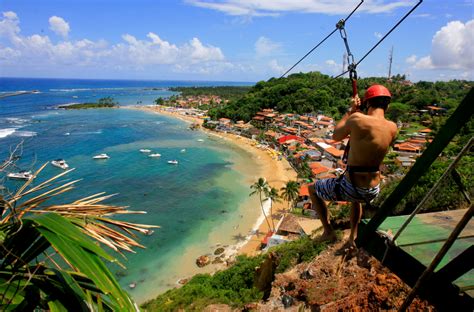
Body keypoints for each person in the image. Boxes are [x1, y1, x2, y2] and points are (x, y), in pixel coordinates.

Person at [308, 84, 398, 249]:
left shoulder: (357, 119)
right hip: (372, 190)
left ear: (367, 103)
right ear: (388, 105)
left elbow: (336, 135)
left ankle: (328, 231)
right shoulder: (393, 128)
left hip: (352, 188)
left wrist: (351, 110)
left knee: (312, 189)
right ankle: (353, 235)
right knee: (355, 200)